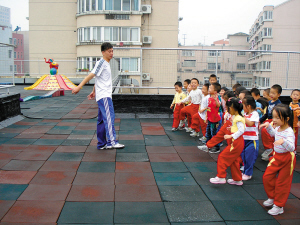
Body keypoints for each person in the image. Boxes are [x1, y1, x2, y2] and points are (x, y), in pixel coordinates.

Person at [72, 42, 124, 150]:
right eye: (109, 51)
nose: (111, 53)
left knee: (101, 120)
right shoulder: (102, 63)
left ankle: (102, 143)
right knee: (109, 118)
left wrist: (93, 91)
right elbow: (91, 75)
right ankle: (112, 142)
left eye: (112, 51)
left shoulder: (106, 64)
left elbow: (98, 79)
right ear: (103, 52)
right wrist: (79, 87)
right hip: (105, 96)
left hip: (102, 95)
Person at [259, 104, 295, 216]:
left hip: (287, 158)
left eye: (277, 118)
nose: (274, 120)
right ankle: (272, 197)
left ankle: (279, 205)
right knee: (267, 177)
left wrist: (283, 142)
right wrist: (268, 127)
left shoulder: (289, 132)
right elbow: (274, 135)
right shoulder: (278, 128)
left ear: (287, 119)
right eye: (273, 117)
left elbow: (292, 148)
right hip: (277, 156)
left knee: (282, 183)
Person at [209, 97, 245, 185]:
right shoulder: (236, 117)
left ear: (231, 108)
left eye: (227, 107)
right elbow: (238, 129)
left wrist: (231, 135)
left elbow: (242, 130)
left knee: (223, 157)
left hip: (236, 142)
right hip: (236, 142)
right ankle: (237, 179)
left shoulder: (238, 118)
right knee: (234, 160)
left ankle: (221, 177)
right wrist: (231, 128)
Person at [260, 84, 282, 161]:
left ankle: (270, 148)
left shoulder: (278, 104)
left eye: (274, 93)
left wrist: (275, 123)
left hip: (274, 120)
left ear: (279, 95)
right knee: (264, 131)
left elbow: (278, 115)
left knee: (266, 131)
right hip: (268, 120)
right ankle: (269, 148)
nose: (271, 95)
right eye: (271, 93)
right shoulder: (270, 102)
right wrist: (260, 120)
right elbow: (266, 114)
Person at [241, 96, 259, 181]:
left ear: (248, 106)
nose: (242, 107)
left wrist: (242, 118)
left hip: (252, 139)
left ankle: (248, 173)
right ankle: (245, 170)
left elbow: (251, 123)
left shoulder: (255, 114)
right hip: (244, 138)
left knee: (250, 156)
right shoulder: (244, 114)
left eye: (243, 105)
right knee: (243, 155)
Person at [203, 83, 221, 153]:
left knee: (214, 133)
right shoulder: (209, 98)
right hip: (210, 119)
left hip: (214, 120)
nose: (209, 89)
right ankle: (208, 145)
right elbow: (208, 108)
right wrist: (206, 117)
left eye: (210, 88)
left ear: (215, 91)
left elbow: (218, 105)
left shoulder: (216, 98)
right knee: (208, 133)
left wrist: (216, 100)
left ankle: (216, 147)